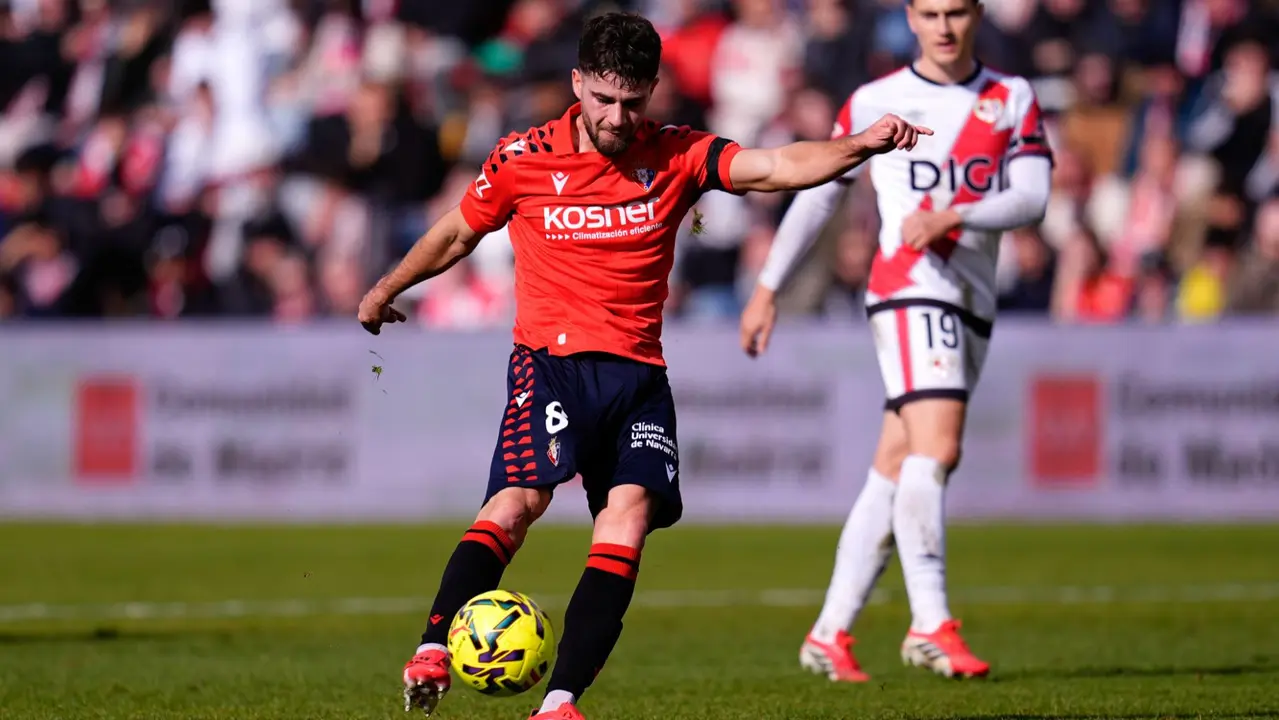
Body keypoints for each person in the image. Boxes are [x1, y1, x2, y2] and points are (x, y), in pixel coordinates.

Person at [356, 12, 930, 720]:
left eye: (631, 102)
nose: (616, 117)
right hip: (552, 366)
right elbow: (455, 232)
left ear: (651, 90)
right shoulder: (522, 158)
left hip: (638, 380)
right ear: (577, 84)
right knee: (518, 503)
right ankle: (433, 648)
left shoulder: (677, 153)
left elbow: (776, 167)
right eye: (602, 99)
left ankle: (559, 702)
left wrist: (860, 145)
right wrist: (387, 288)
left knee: (626, 522)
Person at [739, 0, 1053, 682]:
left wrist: (954, 214)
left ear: (976, 15)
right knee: (938, 447)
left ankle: (829, 633)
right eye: (929, 13)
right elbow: (819, 192)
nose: (943, 27)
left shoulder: (1011, 97)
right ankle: (930, 623)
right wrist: (767, 286)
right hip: (908, 287)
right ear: (910, 18)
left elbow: (1032, 197)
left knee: (898, 461)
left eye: (956, 12)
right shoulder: (875, 100)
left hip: (971, 297)